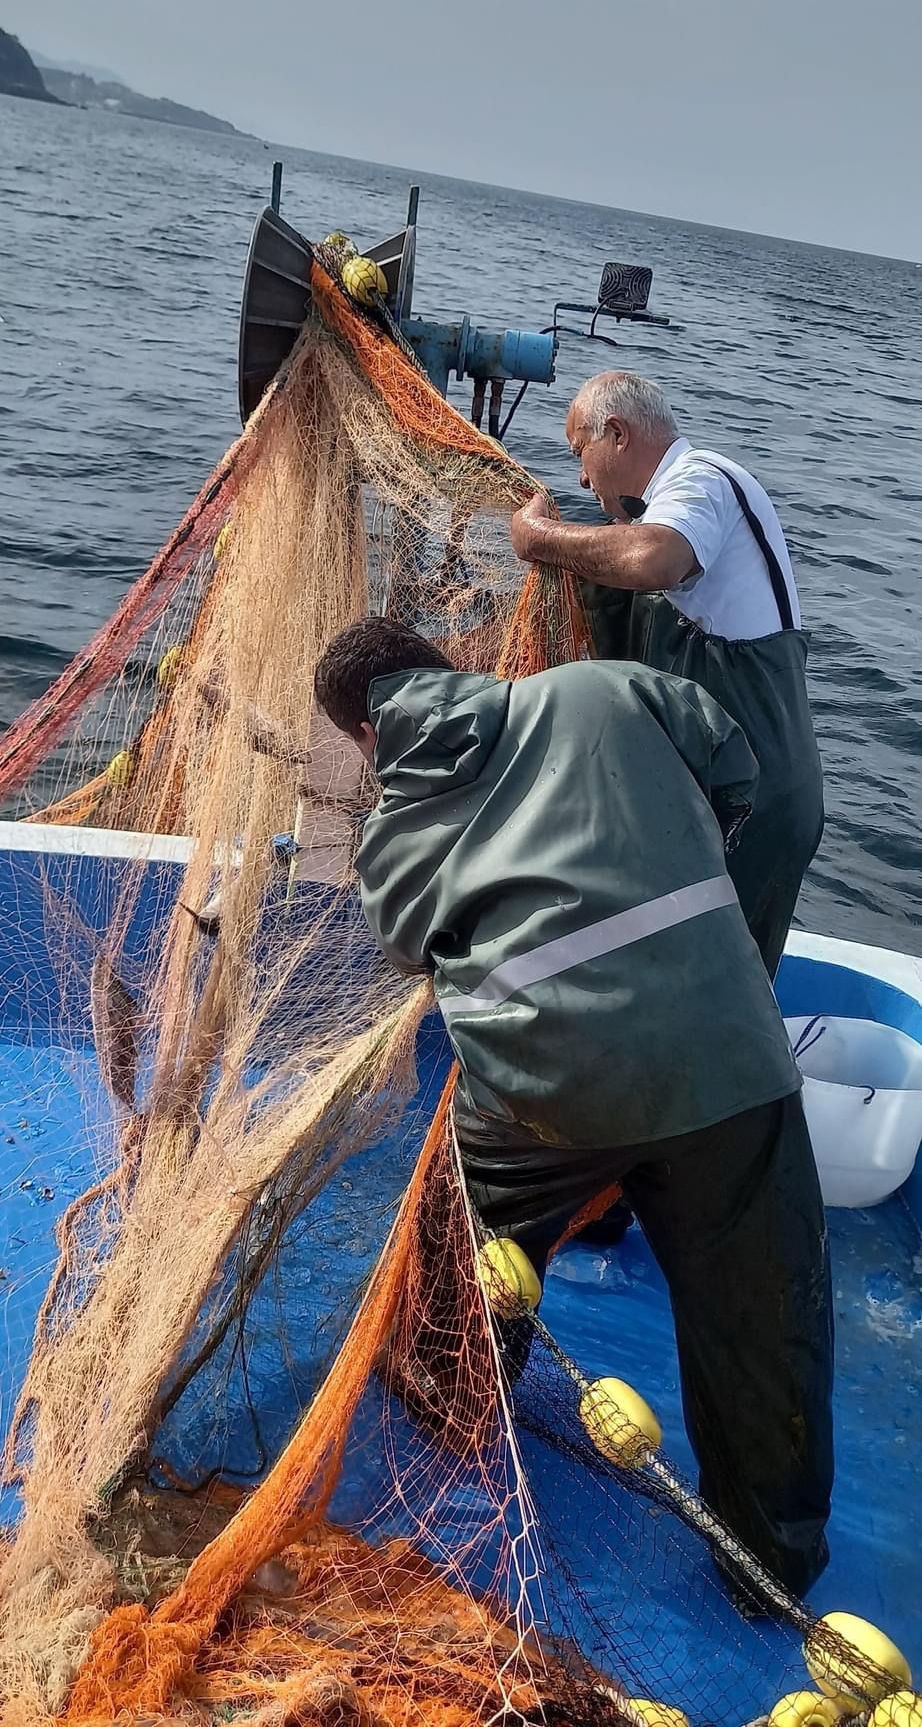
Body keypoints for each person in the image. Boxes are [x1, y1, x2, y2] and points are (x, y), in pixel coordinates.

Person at [313, 616, 834, 1597]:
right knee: (764, 1309)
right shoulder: (603, 688)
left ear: (366, 737)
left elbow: (413, 948)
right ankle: (771, 1563)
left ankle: (451, 1393)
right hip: (727, 1058)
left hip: (546, 1095)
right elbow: (733, 760)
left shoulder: (390, 833)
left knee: (463, 1218)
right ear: (450, 668)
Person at [509, 371, 824, 985]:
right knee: (692, 982)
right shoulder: (670, 504)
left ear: (618, 435)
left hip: (758, 798)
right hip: (717, 791)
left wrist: (538, 537)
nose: (581, 478)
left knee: (721, 990)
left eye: (581, 454)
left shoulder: (701, 480)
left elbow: (656, 560)